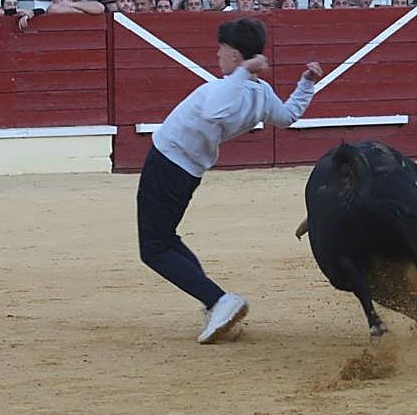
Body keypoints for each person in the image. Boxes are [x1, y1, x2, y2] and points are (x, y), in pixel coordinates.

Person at [137, 18, 323, 344]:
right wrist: (305, 84)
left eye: (222, 50)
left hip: (167, 164)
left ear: (236, 56)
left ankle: (218, 300)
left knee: (153, 248)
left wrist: (243, 71)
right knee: (165, 240)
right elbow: (287, 116)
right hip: (185, 170)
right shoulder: (259, 92)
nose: (217, 55)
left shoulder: (227, 89)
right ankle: (213, 301)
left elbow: (214, 111)